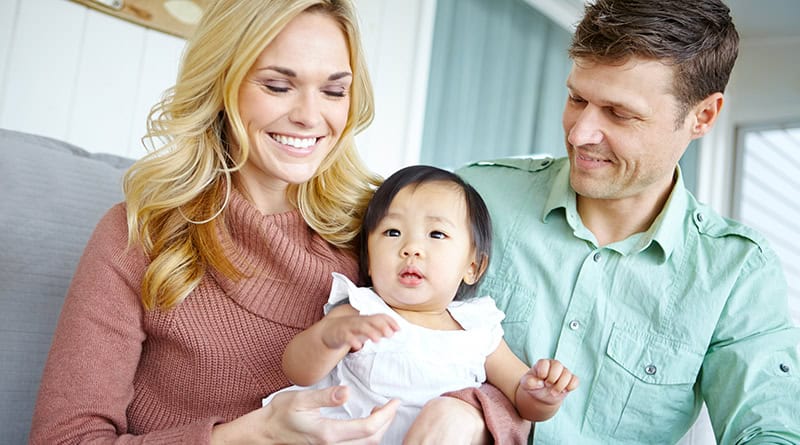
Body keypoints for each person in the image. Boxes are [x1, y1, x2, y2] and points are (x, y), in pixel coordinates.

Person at [29, 1, 527, 443]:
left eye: (334, 91)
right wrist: (244, 436)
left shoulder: (382, 229)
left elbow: (480, 356)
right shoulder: (139, 235)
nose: (311, 116)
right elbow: (65, 438)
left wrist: (469, 413)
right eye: (278, 85)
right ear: (222, 84)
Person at [456, 0, 800, 443]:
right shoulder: (472, 197)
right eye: (577, 98)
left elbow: (770, 432)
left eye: (620, 114)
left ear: (703, 116)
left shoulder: (735, 273)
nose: (579, 133)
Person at [262, 165, 579, 443]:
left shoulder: (478, 330)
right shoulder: (363, 311)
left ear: (473, 267)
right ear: (369, 260)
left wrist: (542, 394)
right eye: (393, 232)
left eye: (437, 234)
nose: (411, 247)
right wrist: (327, 338)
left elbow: (522, 399)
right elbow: (298, 371)